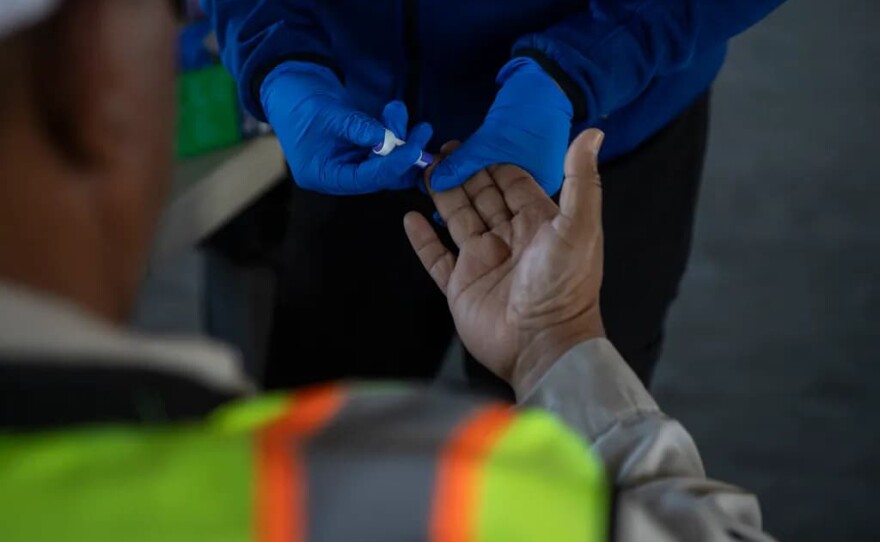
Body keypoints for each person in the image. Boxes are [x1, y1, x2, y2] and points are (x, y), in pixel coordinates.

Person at [0, 1, 774, 540]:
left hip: (599, 122)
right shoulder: (515, 513)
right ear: (96, 67)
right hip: (370, 129)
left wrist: (585, 67)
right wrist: (560, 348)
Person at [204, 0, 787, 393]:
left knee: (558, 463)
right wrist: (273, 51)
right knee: (329, 424)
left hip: (598, 140)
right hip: (360, 132)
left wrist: (585, 64)